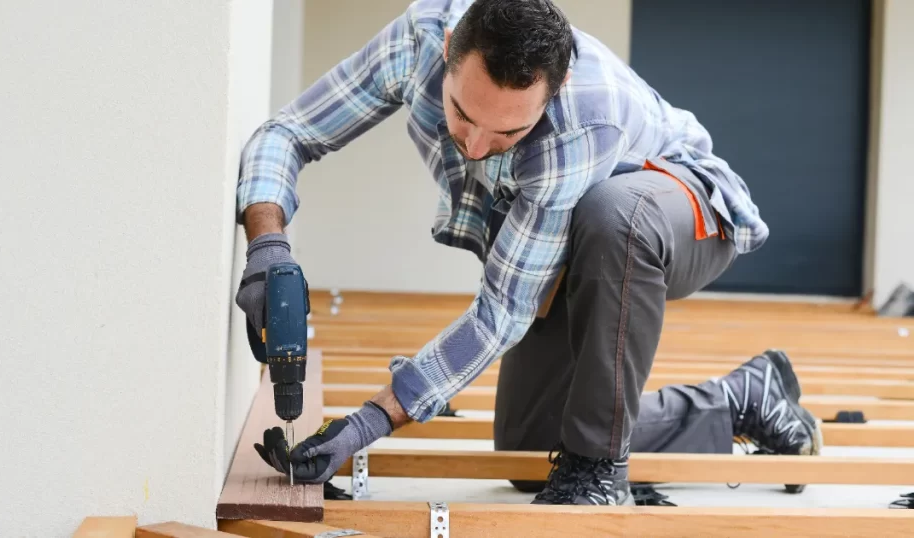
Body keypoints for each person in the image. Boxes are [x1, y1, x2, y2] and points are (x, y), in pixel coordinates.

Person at [240, 0, 822, 505]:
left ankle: (600, 471)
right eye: (461, 113)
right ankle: (741, 400)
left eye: (507, 135)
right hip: (577, 247)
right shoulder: (418, 39)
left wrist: (370, 421)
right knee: (530, 446)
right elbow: (288, 133)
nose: (473, 145)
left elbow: (502, 309)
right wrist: (267, 242)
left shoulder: (579, 124)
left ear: (556, 90)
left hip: (682, 209)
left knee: (614, 215)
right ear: (447, 50)